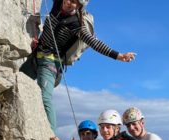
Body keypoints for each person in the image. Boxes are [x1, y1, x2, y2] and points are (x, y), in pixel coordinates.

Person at [31, 0, 136, 132]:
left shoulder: (75, 24)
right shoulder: (58, 3)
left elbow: (94, 42)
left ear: (79, 6)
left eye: (74, 2)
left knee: (45, 97)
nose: (69, 2)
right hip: (36, 56)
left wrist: (119, 56)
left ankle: (51, 136)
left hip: (50, 63)